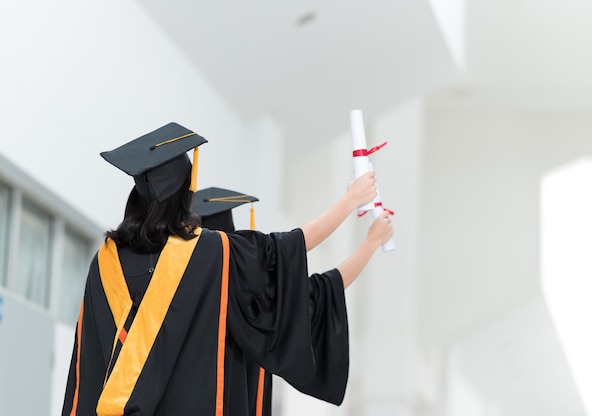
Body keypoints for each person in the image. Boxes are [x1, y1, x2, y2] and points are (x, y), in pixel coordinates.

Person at [62, 122, 394, 415]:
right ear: (184, 196)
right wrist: (352, 203)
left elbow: (87, 360)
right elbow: (293, 246)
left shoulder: (104, 262)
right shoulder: (211, 254)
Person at [192, 186, 393, 414]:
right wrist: (371, 240)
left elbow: (325, 286)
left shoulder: (179, 289)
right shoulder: (258, 298)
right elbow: (327, 286)